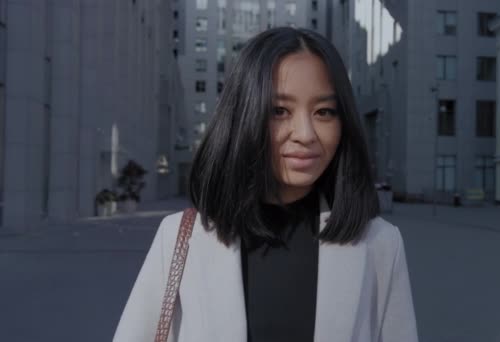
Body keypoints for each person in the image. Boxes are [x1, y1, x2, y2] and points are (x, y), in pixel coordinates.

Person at [113, 27, 418, 342]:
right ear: (244, 115)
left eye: (324, 112)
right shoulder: (181, 238)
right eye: (279, 111)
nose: (305, 133)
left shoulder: (380, 243)